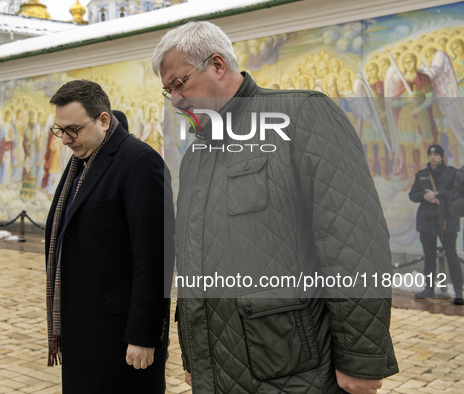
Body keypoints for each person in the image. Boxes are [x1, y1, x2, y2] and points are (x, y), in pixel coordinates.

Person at [152, 21, 397, 393]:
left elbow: (353, 242)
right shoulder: (196, 156)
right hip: (219, 370)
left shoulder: (302, 116)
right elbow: (194, 262)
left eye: (179, 83)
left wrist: (361, 358)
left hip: (294, 367)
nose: (175, 99)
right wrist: (195, 354)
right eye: (167, 90)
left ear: (217, 65)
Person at [44, 80, 174, 393]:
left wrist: (143, 336)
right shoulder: (81, 161)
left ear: (103, 120)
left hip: (120, 337)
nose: (65, 140)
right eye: (59, 130)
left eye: (73, 129)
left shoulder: (139, 162)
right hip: (82, 330)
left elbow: (155, 258)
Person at [408, 144, 463, 305]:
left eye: (436, 154)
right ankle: (429, 288)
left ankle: (459, 291)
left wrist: (438, 194)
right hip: (426, 221)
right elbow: (413, 194)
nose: (433, 157)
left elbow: (457, 193)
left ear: (442, 157)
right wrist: (424, 196)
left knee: (452, 256)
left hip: (447, 220)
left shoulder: (453, 174)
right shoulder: (422, 175)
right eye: (430, 155)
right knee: (429, 258)